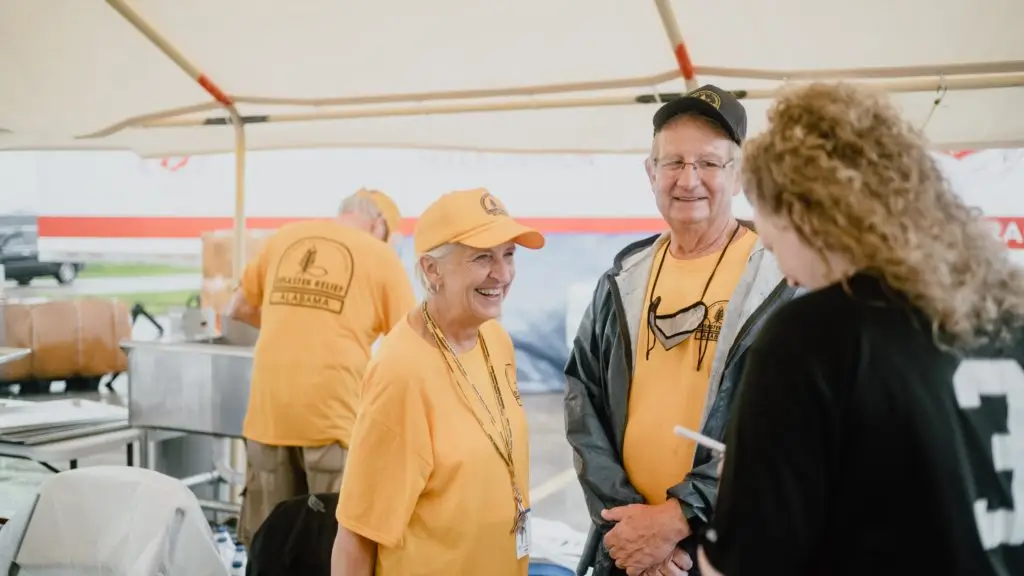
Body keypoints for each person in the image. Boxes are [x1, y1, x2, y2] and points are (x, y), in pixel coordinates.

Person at [697, 82, 1024, 575]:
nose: (778, 261)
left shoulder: (811, 337)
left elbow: (743, 564)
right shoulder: (1005, 315)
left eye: (770, 231)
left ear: (804, 213)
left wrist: (748, 484)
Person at [563, 84, 798, 576]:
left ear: (738, 176)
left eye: (709, 163)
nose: (688, 179)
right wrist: (628, 531)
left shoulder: (781, 280)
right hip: (631, 554)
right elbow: (583, 401)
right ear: (651, 172)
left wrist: (678, 519)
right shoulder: (622, 280)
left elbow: (788, 429)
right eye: (673, 163)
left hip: (729, 549)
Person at [331, 188, 545, 576]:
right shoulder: (402, 372)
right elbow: (357, 534)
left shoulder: (494, 339)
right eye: (483, 257)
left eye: (508, 255)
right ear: (432, 270)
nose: (503, 274)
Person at [227, 188, 416, 545]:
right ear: (379, 226)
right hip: (332, 418)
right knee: (330, 545)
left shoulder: (284, 238)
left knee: (272, 546)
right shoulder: (380, 256)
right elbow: (407, 341)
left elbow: (237, 308)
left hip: (268, 415)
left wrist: (294, 326)